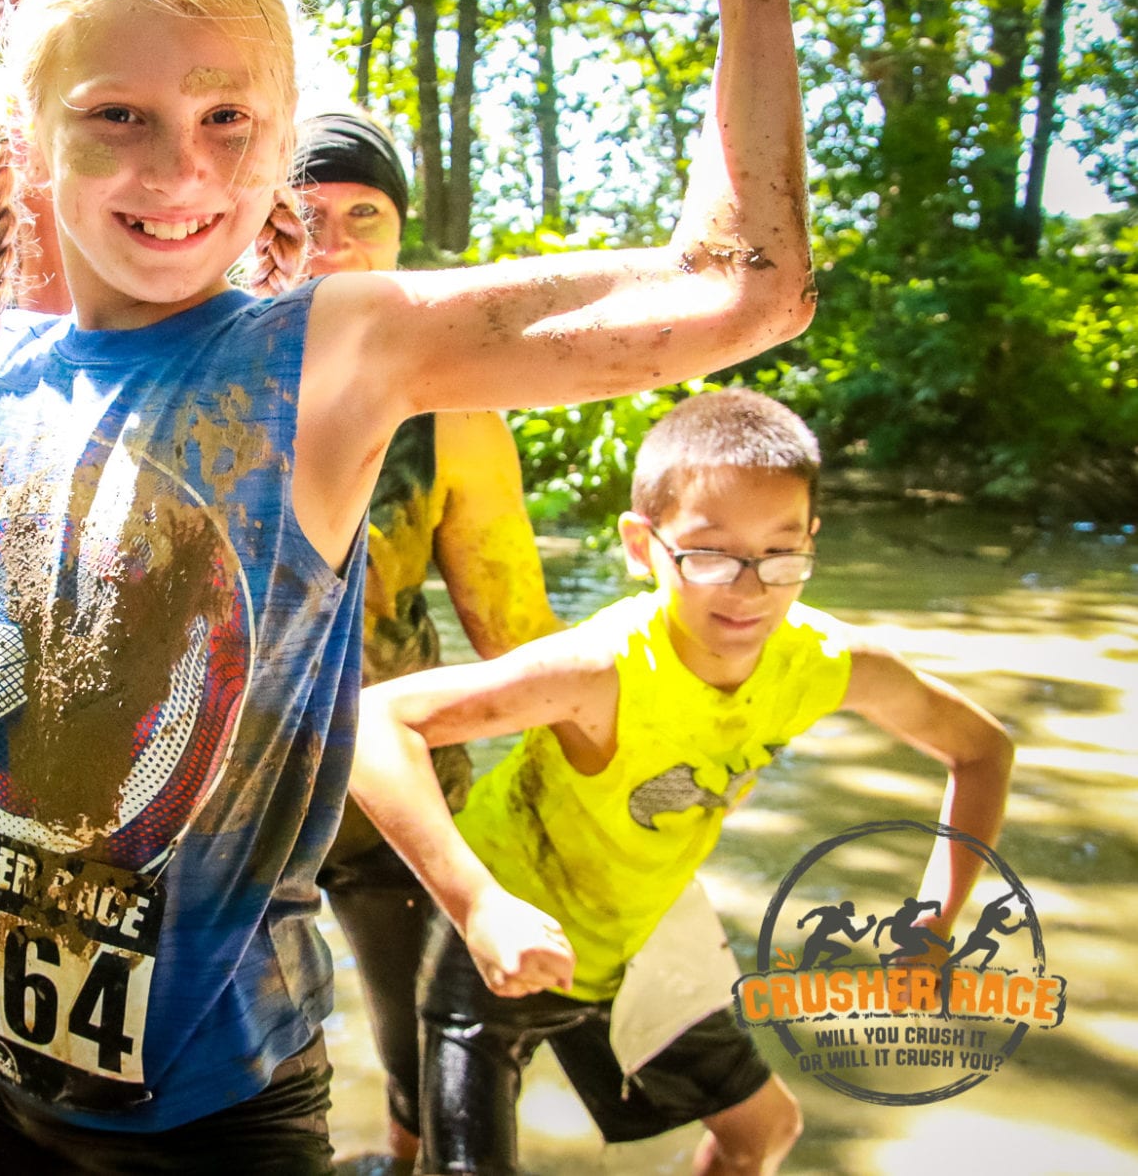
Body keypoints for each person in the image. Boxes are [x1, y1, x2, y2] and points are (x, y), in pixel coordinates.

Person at [0, 0, 818, 1166]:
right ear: (30, 137)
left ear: (279, 149)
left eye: (226, 122)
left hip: (198, 1113)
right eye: (116, 120)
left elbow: (745, 287)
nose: (178, 171)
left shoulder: (323, 354)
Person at [351, 388, 1014, 1175]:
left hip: (639, 937)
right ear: (642, 545)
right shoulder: (599, 669)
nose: (750, 587)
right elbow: (375, 724)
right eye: (708, 554)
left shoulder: (826, 663)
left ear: (813, 539)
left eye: (782, 553)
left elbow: (981, 752)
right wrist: (478, 903)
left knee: (762, 1134)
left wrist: (935, 923)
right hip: (498, 934)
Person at [291, 108, 563, 1168]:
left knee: (416, 1040)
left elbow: (512, 620)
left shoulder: (453, 404)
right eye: (307, 213)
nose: (337, 239)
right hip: (222, 782)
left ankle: (401, 1154)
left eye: (366, 215)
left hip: (388, 779)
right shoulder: (198, 369)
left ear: (400, 236)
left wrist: (598, 742)